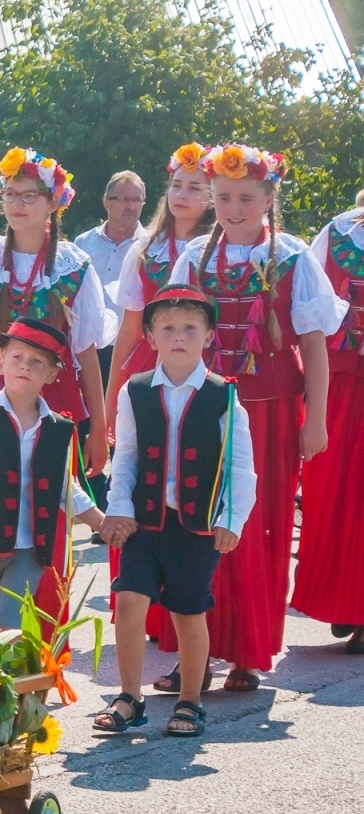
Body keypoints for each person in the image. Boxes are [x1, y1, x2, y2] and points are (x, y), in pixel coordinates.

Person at [161, 144, 346, 693]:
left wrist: (315, 420)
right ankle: (193, 655)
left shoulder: (291, 257)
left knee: (257, 528)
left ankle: (247, 653)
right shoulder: (193, 256)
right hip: (202, 409)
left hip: (269, 413)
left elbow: (315, 345)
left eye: (246, 197)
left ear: (268, 198)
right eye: (223, 197)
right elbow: (173, 332)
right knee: (192, 526)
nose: (233, 207)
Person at [98, 285, 255, 737]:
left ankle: (189, 701)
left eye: (191, 327)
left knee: (188, 612)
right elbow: (125, 454)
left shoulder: (223, 394)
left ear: (208, 336)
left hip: (196, 525)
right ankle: (130, 696)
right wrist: (119, 507)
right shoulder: (136, 390)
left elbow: (239, 464)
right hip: (145, 522)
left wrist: (231, 519)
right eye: (168, 328)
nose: (179, 335)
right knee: (128, 602)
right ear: (150, 336)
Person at [102, 143, 215, 642]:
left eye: (196, 186)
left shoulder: (220, 247)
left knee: (187, 490)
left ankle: (188, 619)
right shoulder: (144, 249)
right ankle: (140, 609)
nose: (183, 194)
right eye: (177, 184)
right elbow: (127, 331)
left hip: (196, 375)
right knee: (138, 484)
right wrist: (109, 397)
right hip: (146, 376)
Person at [0, 148, 114, 483]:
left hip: (53, 412)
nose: (18, 204)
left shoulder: (73, 268)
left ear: (52, 202)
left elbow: (86, 353)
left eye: (30, 195)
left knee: (51, 512)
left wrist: (99, 430)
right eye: (11, 194)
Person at [0, 318, 104, 629]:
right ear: (1, 362)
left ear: (53, 374)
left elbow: (64, 487)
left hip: (33, 545)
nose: (25, 366)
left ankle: (8, 673)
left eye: (37, 361)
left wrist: (98, 519)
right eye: (17, 357)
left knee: (7, 623)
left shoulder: (60, 428)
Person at [292, 191, 364, 649]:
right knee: (328, 488)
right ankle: (342, 598)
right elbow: (308, 313)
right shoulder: (337, 232)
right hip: (339, 381)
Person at [75, 170, 147, 387]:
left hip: (132, 351)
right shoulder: (83, 244)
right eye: (125, 199)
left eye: (137, 200)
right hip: (88, 351)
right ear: (106, 202)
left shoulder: (150, 247)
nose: (131, 206)